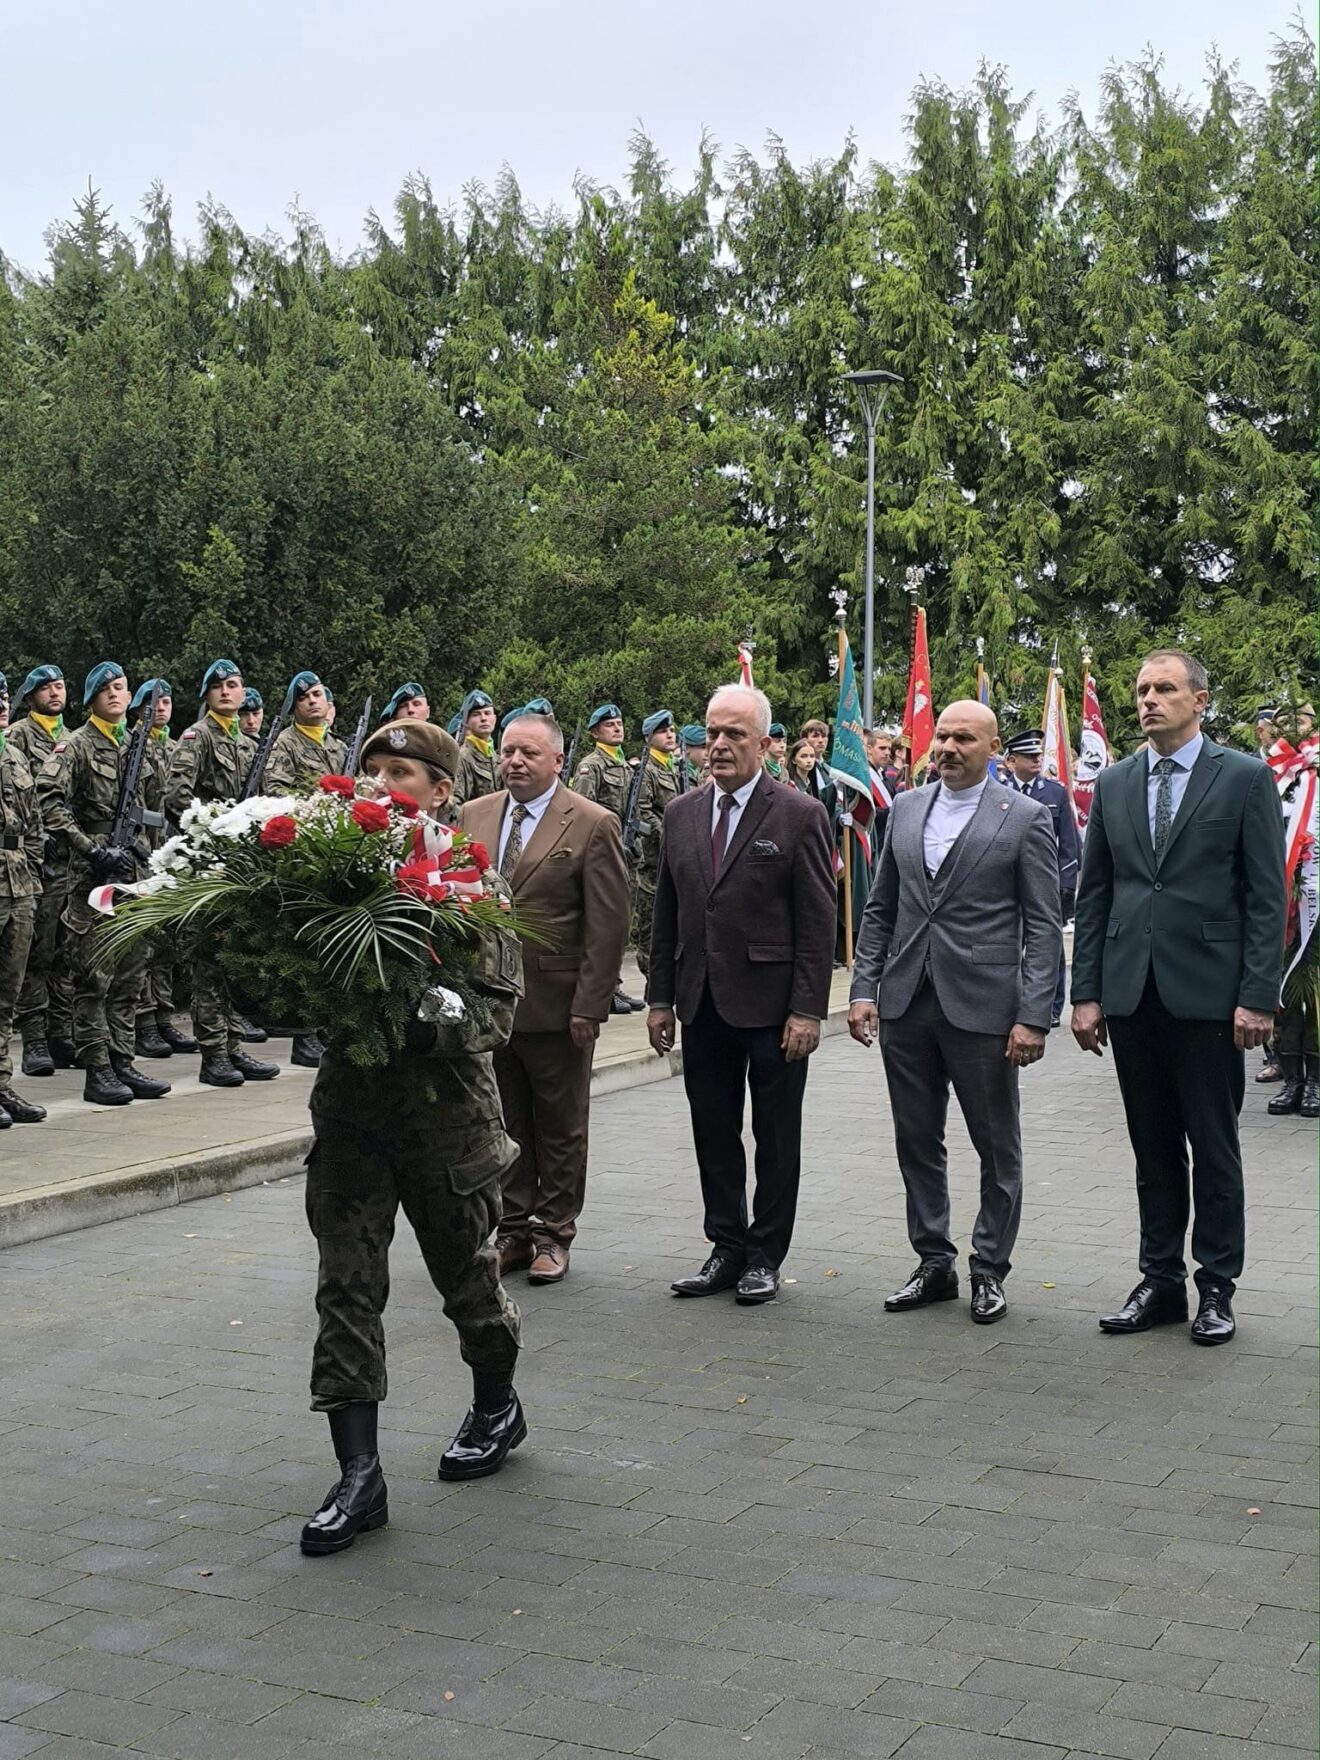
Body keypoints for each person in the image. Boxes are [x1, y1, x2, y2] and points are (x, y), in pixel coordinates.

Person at [300, 719, 527, 1557]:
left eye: (404, 772)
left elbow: (498, 1011)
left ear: (441, 793)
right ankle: (359, 1476)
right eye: (374, 771)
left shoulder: (470, 882)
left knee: (466, 1283)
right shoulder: (322, 876)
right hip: (354, 1115)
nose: (385, 785)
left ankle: (497, 1402)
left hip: (445, 1117)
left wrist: (418, 1021)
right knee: (346, 1290)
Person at [1071, 650, 1286, 1346]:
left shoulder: (1246, 779)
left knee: (1214, 1148)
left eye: (1165, 688)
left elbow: (1264, 897)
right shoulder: (1116, 783)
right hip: (1133, 995)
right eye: (1141, 690)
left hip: (1211, 999)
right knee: (1152, 1148)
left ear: (1200, 700)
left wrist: (1257, 997)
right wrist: (1087, 994)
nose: (1149, 700)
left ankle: (1216, 1287)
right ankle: (1159, 1280)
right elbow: (1096, 893)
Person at [848, 699, 1062, 1325]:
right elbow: (881, 909)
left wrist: (1033, 1014)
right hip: (907, 1000)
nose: (946, 747)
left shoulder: (1024, 817)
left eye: (963, 738)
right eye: (941, 734)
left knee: (996, 1146)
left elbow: (1045, 926)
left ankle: (989, 1268)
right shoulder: (907, 809)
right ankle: (934, 1262)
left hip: (986, 1008)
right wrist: (864, 990)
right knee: (916, 1138)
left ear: (992, 748)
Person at [648, 685, 836, 1305]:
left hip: (773, 1009)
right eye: (711, 734)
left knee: (776, 1135)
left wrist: (809, 1009)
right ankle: (725, 1246)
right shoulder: (680, 813)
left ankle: (764, 1255)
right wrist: (658, 999)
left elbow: (818, 922)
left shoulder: (799, 814)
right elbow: (666, 915)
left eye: (734, 735)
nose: (719, 746)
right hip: (701, 1003)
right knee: (713, 1130)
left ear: (762, 742)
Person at [458, 710, 630, 1285]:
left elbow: (608, 926)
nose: (515, 762)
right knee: (504, 1121)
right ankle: (512, 1228)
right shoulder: (473, 814)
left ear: (558, 760)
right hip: (490, 1003)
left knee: (559, 1124)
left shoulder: (590, 822)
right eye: (508, 751)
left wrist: (590, 1004)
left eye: (529, 753)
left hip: (557, 1002)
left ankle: (553, 1234)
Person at [36, 663, 172, 1107]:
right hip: (94, 875)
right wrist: (89, 848)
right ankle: (97, 1069)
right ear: (93, 696)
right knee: (94, 976)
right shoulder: (75, 745)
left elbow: (153, 807)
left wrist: (151, 857)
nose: (117, 695)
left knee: (132, 973)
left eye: (122, 688)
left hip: (134, 870)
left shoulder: (136, 743)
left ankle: (122, 1060)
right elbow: (49, 800)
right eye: (108, 689)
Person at [167, 659, 280, 1088]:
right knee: (209, 963)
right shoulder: (197, 738)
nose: (228, 692)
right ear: (207, 695)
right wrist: (216, 828)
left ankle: (233, 1046)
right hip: (212, 859)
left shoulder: (248, 745)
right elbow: (177, 796)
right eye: (219, 687)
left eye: (234, 685)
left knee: (234, 960)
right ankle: (213, 1053)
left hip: (242, 863)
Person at [9, 664, 75, 1074]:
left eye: (60, 686)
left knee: (66, 952)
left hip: (69, 858)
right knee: (37, 952)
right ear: (30, 696)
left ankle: (59, 1032)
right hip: (34, 861)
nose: (54, 693)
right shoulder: (16, 736)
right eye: (46, 688)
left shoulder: (71, 739)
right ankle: (33, 1039)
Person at [128, 680, 197, 1061]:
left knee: (165, 941)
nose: (163, 707)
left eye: (169, 700)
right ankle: (143, 1022)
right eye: (155, 702)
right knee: (144, 942)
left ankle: (162, 1017)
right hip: (142, 849)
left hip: (167, 849)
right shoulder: (135, 744)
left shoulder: (173, 747)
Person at [999, 730, 1080, 1025]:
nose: (1036, 759)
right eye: (1028, 755)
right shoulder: (1000, 791)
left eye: (1037, 755)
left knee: (1049, 947)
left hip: (1045, 885)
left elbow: (1068, 843)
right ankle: (1015, 1003)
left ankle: (1052, 1007)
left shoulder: (1055, 793)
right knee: (1010, 946)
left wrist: (1066, 885)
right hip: (1007, 886)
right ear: (1011, 760)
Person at [571, 702, 642, 1015]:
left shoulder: (625, 767)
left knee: (619, 920)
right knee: (601, 920)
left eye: (620, 722)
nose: (617, 728)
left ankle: (615, 984)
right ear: (595, 732)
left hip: (624, 853)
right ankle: (604, 990)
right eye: (610, 724)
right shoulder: (592, 765)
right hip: (600, 853)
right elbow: (583, 810)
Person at [0, 670, 47, 1126]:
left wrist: (30, 879)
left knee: (7, 995)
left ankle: (1, 1084)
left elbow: (32, 828)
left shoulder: (14, 756)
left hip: (17, 887)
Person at [632, 710, 681, 979]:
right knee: (651, 922)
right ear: (649, 737)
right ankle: (653, 977)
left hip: (674, 855)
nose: (670, 735)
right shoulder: (646, 770)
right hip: (654, 857)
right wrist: (670, 834)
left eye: (671, 730)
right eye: (663, 732)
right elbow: (643, 812)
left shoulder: (672, 767)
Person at [263, 673, 348, 792]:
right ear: (294, 709)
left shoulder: (340, 747)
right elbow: (274, 790)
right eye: (303, 698)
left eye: (317, 694)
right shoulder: (284, 744)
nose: (312, 701)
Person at [452, 690, 500, 806]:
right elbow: (455, 803)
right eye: (476, 714)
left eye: (487, 713)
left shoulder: (497, 758)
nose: (483, 718)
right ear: (466, 722)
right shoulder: (462, 757)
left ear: (494, 719)